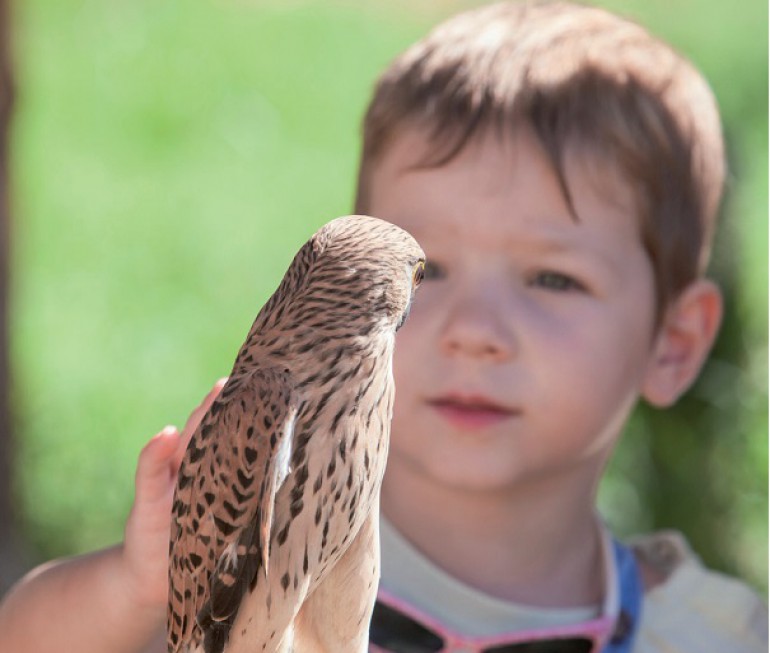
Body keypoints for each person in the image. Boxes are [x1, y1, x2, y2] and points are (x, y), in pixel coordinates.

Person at [0, 2, 765, 652]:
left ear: (675, 342)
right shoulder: (269, 521)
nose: (473, 329)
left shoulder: (719, 633)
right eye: (426, 274)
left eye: (552, 279)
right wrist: (144, 582)